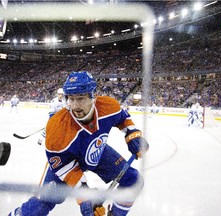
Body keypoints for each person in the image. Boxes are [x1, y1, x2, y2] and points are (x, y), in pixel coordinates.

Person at [10, 71, 149, 216]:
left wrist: (132, 134)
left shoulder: (108, 106)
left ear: (93, 97)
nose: (75, 106)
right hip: (66, 161)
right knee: (42, 203)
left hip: (96, 150)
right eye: (71, 99)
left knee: (133, 180)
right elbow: (63, 166)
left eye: (81, 99)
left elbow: (123, 118)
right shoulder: (56, 129)